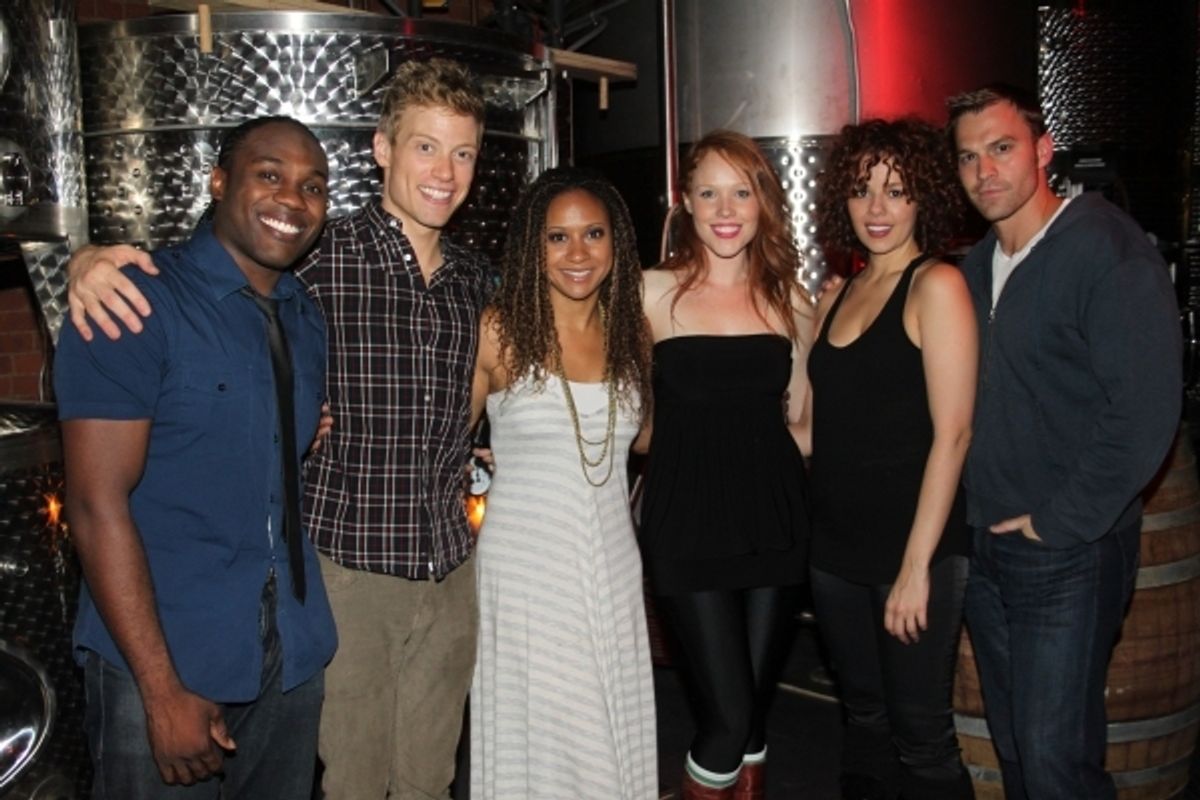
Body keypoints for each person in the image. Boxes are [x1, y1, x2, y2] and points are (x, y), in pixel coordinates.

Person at [65, 58, 491, 799]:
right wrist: (88, 260)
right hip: (330, 585)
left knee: (428, 781)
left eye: (463, 154)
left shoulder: (468, 284)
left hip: (346, 613)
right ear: (383, 151)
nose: (445, 172)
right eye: (425, 147)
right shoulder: (316, 264)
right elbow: (98, 499)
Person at [55, 116, 337, 799]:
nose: (292, 200)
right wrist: (161, 691)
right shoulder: (135, 301)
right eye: (269, 175)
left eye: (313, 186)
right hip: (169, 656)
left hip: (288, 654)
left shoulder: (304, 316)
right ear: (219, 182)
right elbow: (95, 506)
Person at [947, 84, 1182, 799]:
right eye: (968, 157)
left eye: (1002, 148)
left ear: (1044, 151)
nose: (985, 170)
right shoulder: (970, 268)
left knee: (1055, 761)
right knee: (1019, 748)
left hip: (1068, 552)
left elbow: (1144, 411)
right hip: (988, 548)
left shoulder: (1105, 249)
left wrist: (1060, 522)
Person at [468, 167, 656, 798]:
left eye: (593, 234)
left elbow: (649, 440)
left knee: (604, 728)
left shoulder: (633, 334)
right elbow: (444, 445)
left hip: (610, 566)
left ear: (616, 242)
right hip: (525, 574)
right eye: (557, 238)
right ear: (532, 246)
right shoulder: (499, 330)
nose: (578, 254)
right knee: (548, 736)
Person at [638, 130, 813, 800]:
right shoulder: (652, 293)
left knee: (753, 713)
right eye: (708, 191)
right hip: (685, 524)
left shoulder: (792, 302)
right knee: (727, 715)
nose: (725, 207)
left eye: (741, 191)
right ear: (686, 201)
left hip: (774, 523)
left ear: (763, 201)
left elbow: (806, 424)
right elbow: (625, 411)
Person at [806, 118, 976, 800]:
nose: (877, 209)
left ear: (923, 200)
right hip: (836, 553)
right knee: (865, 724)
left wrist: (914, 570)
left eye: (896, 191)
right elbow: (811, 433)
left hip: (913, 551)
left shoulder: (936, 286)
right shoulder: (836, 295)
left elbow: (955, 434)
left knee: (921, 737)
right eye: (861, 190)